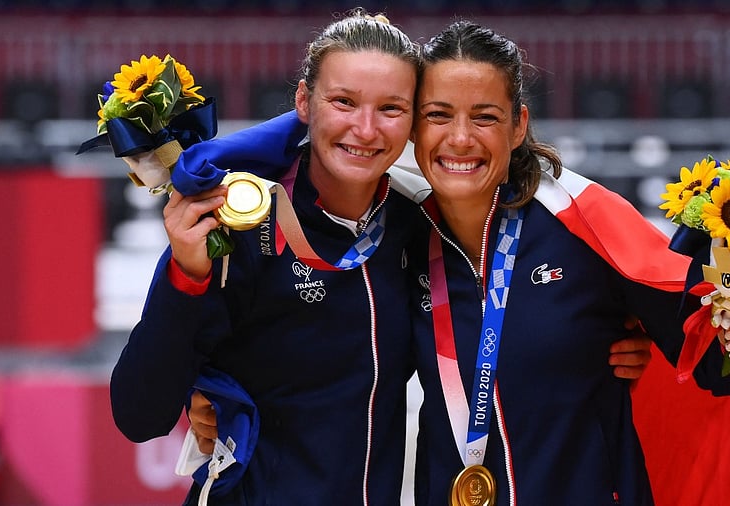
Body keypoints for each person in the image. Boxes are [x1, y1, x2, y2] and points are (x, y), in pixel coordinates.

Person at [109, 10, 653, 505]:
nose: (366, 130)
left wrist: (609, 335)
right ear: (304, 103)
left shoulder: (415, 227)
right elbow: (138, 414)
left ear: (413, 122)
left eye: (391, 108)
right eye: (343, 102)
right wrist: (186, 277)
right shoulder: (240, 224)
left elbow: (496, 321)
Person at [400, 21, 730, 505]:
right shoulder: (400, 237)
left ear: (518, 126)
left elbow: (713, 359)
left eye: (485, 117)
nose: (460, 138)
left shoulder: (586, 224)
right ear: (413, 124)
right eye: (438, 114)